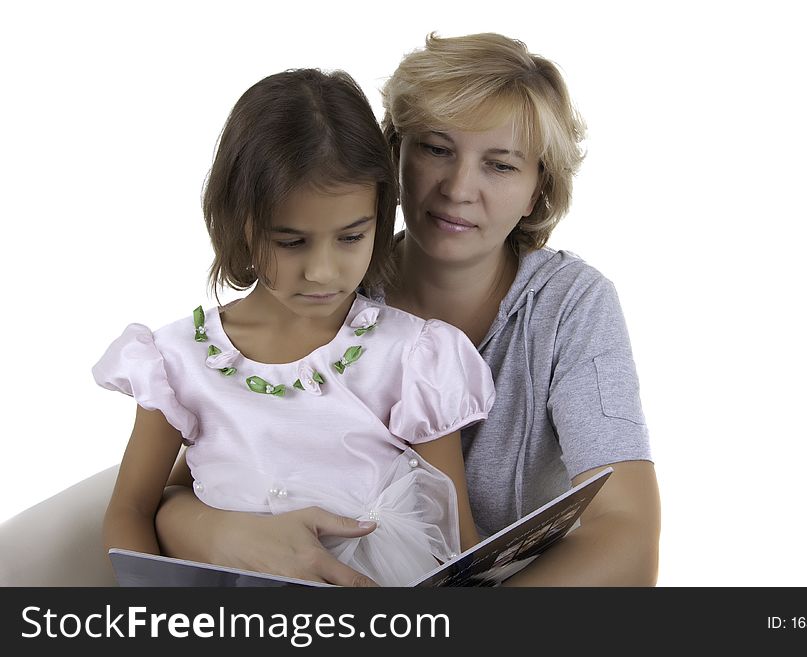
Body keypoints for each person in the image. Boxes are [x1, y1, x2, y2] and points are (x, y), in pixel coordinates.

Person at [154, 33, 660, 588]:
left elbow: (628, 536)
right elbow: (199, 478)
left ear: (540, 187)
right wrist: (226, 534)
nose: (458, 189)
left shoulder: (570, 306)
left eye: (501, 165)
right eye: (436, 149)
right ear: (391, 154)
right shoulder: (325, 292)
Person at [92, 68, 493, 587]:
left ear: (380, 214)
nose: (323, 271)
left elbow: (455, 535)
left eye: (351, 237)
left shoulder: (414, 356)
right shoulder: (175, 361)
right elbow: (130, 510)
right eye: (292, 242)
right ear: (240, 223)